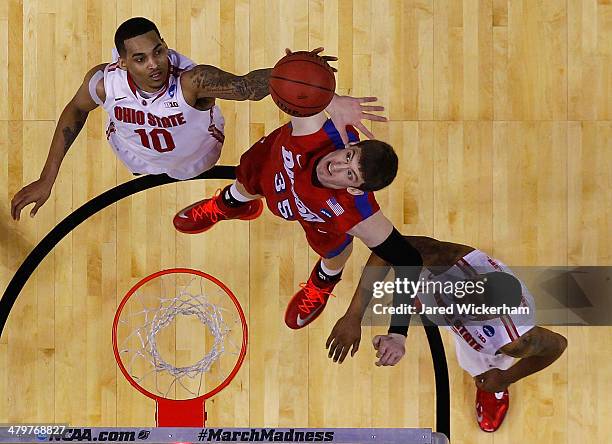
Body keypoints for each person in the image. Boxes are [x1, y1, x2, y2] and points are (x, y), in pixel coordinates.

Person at [10, 17, 380, 221]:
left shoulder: (192, 81)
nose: (154, 64)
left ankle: (231, 202)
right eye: (140, 58)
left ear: (165, 45)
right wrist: (47, 178)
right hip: (134, 155)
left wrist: (311, 87)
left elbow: (248, 86)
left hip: (196, 157)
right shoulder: (105, 82)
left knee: (248, 172)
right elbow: (74, 112)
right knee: (137, 155)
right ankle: (232, 200)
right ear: (123, 62)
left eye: (159, 51)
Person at [173, 52, 423, 330]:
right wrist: (331, 95)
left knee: (335, 250)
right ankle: (230, 204)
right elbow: (301, 82)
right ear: (349, 144)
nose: (338, 166)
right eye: (348, 155)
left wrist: (398, 332)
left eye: (349, 174)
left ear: (354, 189)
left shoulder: (358, 213)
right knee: (248, 178)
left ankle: (324, 282)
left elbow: (408, 260)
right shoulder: (317, 129)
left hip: (316, 216)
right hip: (273, 166)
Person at [326, 235, 567, 432]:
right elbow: (386, 249)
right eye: (466, 292)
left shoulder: (514, 338)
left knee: (477, 366)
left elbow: (558, 345)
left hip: (487, 345)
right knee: (419, 284)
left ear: (488, 316)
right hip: (438, 286)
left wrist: (506, 377)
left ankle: (495, 390)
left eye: (472, 307)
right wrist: (355, 316)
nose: (462, 300)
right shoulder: (455, 261)